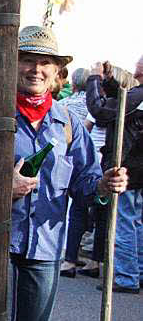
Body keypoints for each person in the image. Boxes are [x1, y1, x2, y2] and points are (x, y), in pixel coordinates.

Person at [6, 25, 127, 321]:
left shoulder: (67, 123)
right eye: (28, 59)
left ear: (57, 72)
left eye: (45, 62)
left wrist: (104, 185)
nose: (36, 69)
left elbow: (86, 182)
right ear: (13, 64)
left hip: (45, 248)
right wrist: (3, 188)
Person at [86, 56, 143, 293]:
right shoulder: (137, 97)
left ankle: (127, 276)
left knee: (125, 223)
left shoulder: (140, 95)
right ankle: (136, 272)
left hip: (127, 169)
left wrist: (94, 78)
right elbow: (120, 104)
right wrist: (109, 81)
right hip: (138, 168)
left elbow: (102, 111)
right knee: (136, 223)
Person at [60, 67, 94, 277]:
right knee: (89, 214)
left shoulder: (64, 107)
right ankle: (91, 260)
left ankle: (70, 259)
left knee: (77, 213)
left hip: (79, 168)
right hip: (86, 169)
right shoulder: (88, 105)